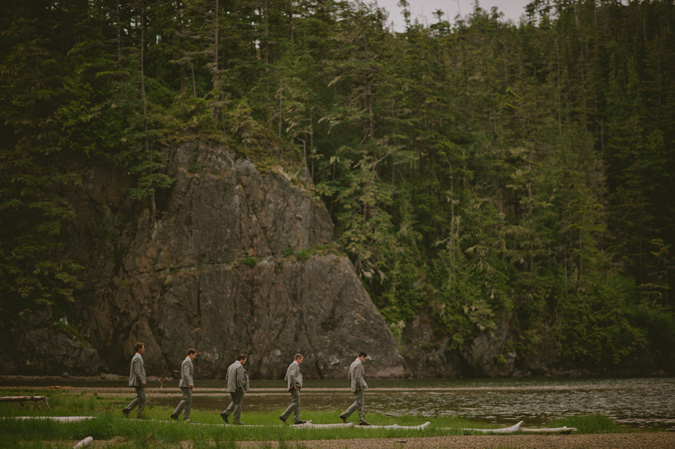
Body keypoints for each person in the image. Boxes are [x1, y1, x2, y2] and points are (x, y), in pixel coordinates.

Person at [339, 351, 370, 426]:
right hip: (358, 387)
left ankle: (362, 420)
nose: (364, 360)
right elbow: (358, 377)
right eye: (364, 358)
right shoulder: (359, 364)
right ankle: (345, 414)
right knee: (359, 402)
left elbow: (349, 376)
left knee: (360, 403)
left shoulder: (352, 363)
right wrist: (360, 386)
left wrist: (353, 385)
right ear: (362, 356)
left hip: (354, 386)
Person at [220, 354, 249, 425]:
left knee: (235, 401)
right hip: (237, 389)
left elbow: (227, 377)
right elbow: (240, 379)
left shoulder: (231, 366)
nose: (244, 362)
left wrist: (230, 386)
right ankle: (236, 421)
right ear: (241, 359)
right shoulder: (239, 366)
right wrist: (241, 388)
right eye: (244, 361)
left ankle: (225, 413)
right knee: (238, 404)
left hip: (231, 388)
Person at [171, 348, 197, 422]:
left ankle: (186, 417)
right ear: (191, 354)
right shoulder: (187, 361)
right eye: (194, 355)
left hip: (187, 384)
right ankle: (175, 414)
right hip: (185, 384)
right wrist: (190, 383)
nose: (195, 357)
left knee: (188, 400)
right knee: (186, 399)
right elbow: (186, 374)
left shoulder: (188, 361)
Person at [279, 353, 306, 425]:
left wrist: (289, 384)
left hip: (294, 386)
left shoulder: (291, 365)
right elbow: (291, 375)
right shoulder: (294, 365)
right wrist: (294, 385)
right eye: (301, 360)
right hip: (294, 387)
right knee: (296, 402)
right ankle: (284, 416)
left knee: (297, 402)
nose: (301, 362)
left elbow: (286, 377)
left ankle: (297, 419)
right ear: (298, 358)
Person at [122, 342, 147, 419]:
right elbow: (137, 371)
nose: (144, 350)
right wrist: (142, 380)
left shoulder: (138, 357)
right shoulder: (137, 358)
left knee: (142, 397)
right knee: (141, 397)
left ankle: (139, 414)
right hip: (138, 381)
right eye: (143, 348)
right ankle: (127, 409)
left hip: (138, 381)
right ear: (139, 349)